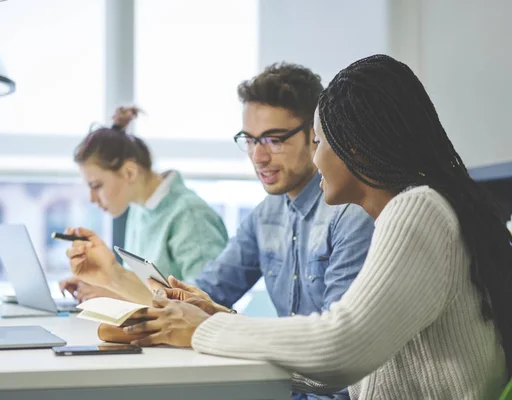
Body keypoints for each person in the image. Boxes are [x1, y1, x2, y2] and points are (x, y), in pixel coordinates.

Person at [119, 54, 512, 399]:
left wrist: (206, 329)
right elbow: (328, 371)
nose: (316, 157)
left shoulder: (417, 208)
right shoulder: (418, 209)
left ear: (353, 149)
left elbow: (341, 347)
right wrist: (219, 321)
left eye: (320, 142)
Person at [69, 64, 376, 400]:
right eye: (250, 140)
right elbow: (196, 297)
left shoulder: (350, 215)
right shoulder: (266, 216)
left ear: (314, 135)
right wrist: (111, 275)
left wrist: (213, 324)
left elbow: (338, 349)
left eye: (275, 139)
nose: (259, 156)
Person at [59, 106, 228, 303]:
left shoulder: (191, 214)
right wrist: (103, 283)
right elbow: (139, 282)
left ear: (129, 172)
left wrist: (117, 294)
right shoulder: (139, 208)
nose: (92, 198)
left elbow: (209, 303)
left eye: (97, 185)